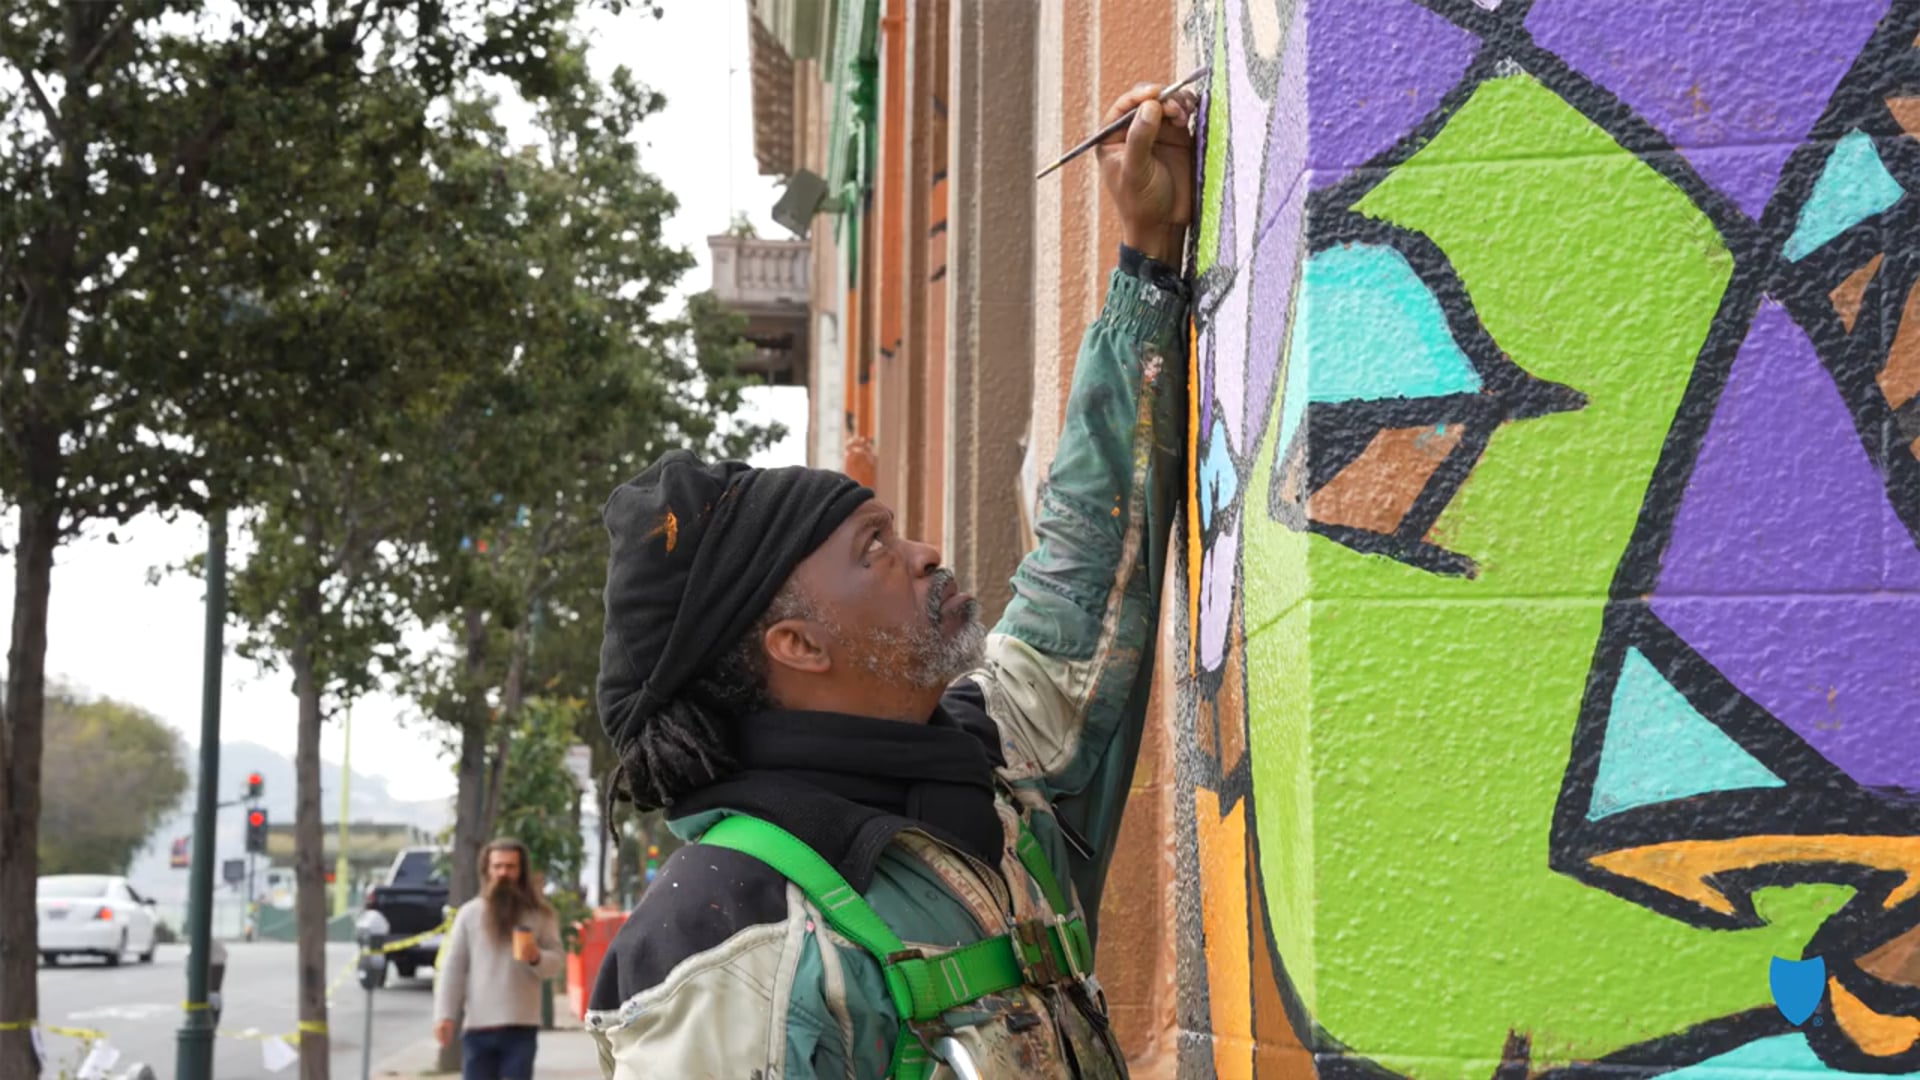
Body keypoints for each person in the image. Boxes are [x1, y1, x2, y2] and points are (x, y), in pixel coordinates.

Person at [586, 80, 1194, 1079]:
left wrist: (1147, 260)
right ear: (796, 643)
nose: (925, 554)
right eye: (872, 547)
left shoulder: (990, 771)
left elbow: (1089, 567)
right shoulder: (730, 946)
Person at [433, 838, 566, 1080]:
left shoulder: (541, 914)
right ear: (487, 870)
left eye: (511, 867)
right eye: (498, 866)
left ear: (521, 871)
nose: (504, 873)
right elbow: (453, 968)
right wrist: (445, 1015)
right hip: (477, 1028)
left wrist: (536, 957)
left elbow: (556, 964)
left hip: (521, 1027)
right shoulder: (469, 914)